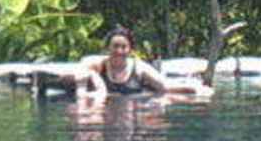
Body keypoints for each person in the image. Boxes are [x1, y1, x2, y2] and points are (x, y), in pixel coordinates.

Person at [76, 27, 211, 99]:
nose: (119, 51)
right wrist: (94, 86)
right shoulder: (98, 64)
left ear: (130, 50)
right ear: (108, 48)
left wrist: (195, 90)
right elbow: (82, 67)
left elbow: (164, 87)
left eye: (124, 47)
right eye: (115, 46)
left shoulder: (138, 68)